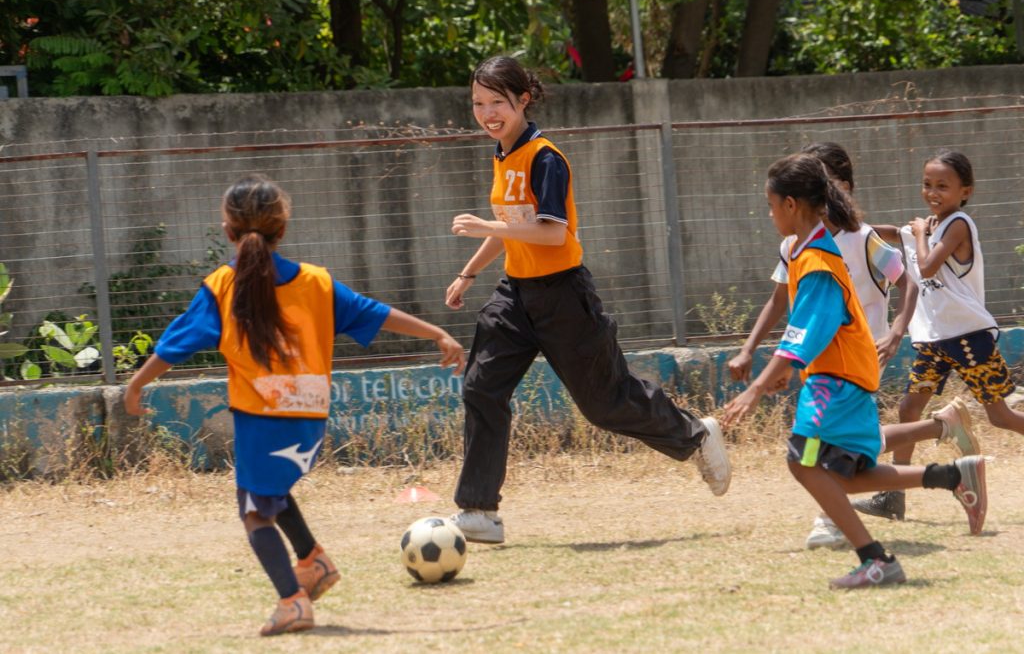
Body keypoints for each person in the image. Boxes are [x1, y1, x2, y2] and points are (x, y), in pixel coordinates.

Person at [124, 174, 465, 636]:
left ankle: (293, 602)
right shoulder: (316, 284)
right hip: (308, 420)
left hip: (262, 420)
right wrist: (437, 332)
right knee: (268, 492)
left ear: (227, 230)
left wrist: (136, 385)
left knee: (253, 512)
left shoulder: (222, 287)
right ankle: (313, 560)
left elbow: (174, 345)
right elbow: (375, 312)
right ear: (282, 230)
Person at [443, 55, 731, 544]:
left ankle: (695, 435)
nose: (488, 112)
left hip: (563, 295)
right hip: (515, 295)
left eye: (497, 102)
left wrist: (486, 226)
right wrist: (469, 273)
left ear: (523, 100)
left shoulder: (545, 158)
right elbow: (517, 225)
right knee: (481, 387)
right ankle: (479, 511)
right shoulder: (502, 155)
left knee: (605, 404)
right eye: (478, 103)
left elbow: (552, 234)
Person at [721, 153, 986, 589]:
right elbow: (808, 329)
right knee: (850, 472)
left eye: (770, 206)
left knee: (804, 463)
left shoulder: (819, 261)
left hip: (835, 383)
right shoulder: (806, 251)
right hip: (843, 377)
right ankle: (953, 476)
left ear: (790, 205)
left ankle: (876, 559)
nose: (770, 215)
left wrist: (757, 388)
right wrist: (787, 369)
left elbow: (803, 334)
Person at [854, 149, 1024, 521]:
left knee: (1000, 417)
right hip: (934, 340)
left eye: (942, 186)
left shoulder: (957, 223)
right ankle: (893, 497)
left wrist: (918, 235)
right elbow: (888, 234)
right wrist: (851, 226)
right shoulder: (929, 226)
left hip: (968, 337)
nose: (932, 192)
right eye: (927, 184)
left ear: (965, 191)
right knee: (908, 408)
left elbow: (927, 266)